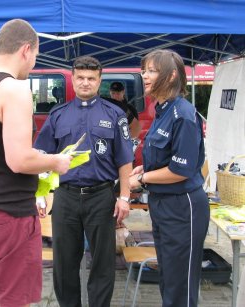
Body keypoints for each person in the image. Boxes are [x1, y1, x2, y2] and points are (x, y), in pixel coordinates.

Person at [0, 19, 72, 307]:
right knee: (14, 300)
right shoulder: (16, 89)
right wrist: (56, 161)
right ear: (26, 50)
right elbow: (18, 159)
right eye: (35, 57)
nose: (33, 64)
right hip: (9, 214)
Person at [34, 55, 134, 307]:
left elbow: (124, 160)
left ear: (100, 80)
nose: (85, 83)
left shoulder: (114, 114)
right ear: (73, 79)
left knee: (103, 263)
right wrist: (39, 194)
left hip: (101, 197)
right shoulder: (58, 115)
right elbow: (40, 156)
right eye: (80, 78)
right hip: (65, 197)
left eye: (91, 78)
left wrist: (124, 197)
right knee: (64, 263)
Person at [129, 49, 210, 307]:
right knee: (169, 280)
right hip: (163, 205)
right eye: (144, 70)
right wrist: (143, 170)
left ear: (172, 74)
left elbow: (180, 170)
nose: (145, 76)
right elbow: (163, 159)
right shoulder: (163, 110)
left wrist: (142, 180)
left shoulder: (183, 114)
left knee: (180, 287)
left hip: (182, 207)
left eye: (152, 70)